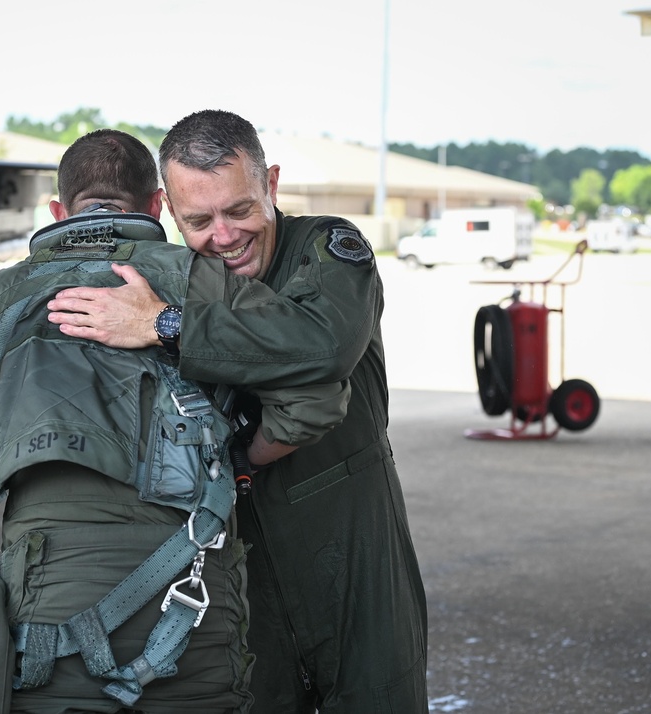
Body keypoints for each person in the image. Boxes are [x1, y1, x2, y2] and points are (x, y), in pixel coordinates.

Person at [46, 111, 429, 713]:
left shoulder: (327, 251)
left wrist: (162, 326)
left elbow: (324, 345)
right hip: (238, 574)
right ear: (168, 211)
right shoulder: (171, 280)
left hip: (353, 554)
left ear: (271, 185)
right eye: (198, 220)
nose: (223, 236)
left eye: (240, 210)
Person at [0, 128, 347, 714]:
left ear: (57, 210)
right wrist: (237, 454)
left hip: (38, 604)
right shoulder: (196, 276)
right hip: (185, 600)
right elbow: (314, 396)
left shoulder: (0, 295)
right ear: (155, 207)